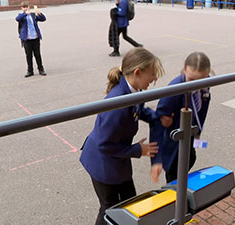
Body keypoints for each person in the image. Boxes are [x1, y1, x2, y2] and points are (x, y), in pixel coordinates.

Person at [79, 47, 164, 225]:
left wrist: (159, 118)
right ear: (138, 72)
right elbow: (104, 145)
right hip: (102, 164)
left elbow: (141, 111)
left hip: (115, 161)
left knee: (130, 203)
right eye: (153, 74)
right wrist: (137, 149)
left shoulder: (133, 91)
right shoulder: (117, 104)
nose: (155, 78)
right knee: (109, 209)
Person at [149, 52, 213, 183]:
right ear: (184, 69)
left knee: (190, 158)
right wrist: (157, 159)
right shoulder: (174, 90)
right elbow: (157, 123)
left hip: (190, 134)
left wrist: (197, 134)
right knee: (175, 175)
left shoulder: (206, 84)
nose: (195, 85)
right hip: (174, 143)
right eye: (191, 79)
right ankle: (176, 198)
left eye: (200, 80)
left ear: (207, 74)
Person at [15, 2, 46, 77]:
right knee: (28, 55)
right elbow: (17, 19)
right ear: (22, 8)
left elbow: (43, 19)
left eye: (26, 7)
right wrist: (25, 13)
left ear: (29, 7)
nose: (25, 8)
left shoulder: (33, 15)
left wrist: (39, 13)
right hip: (27, 39)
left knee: (37, 54)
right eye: (23, 7)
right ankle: (30, 71)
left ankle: (41, 69)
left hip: (35, 38)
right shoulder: (21, 16)